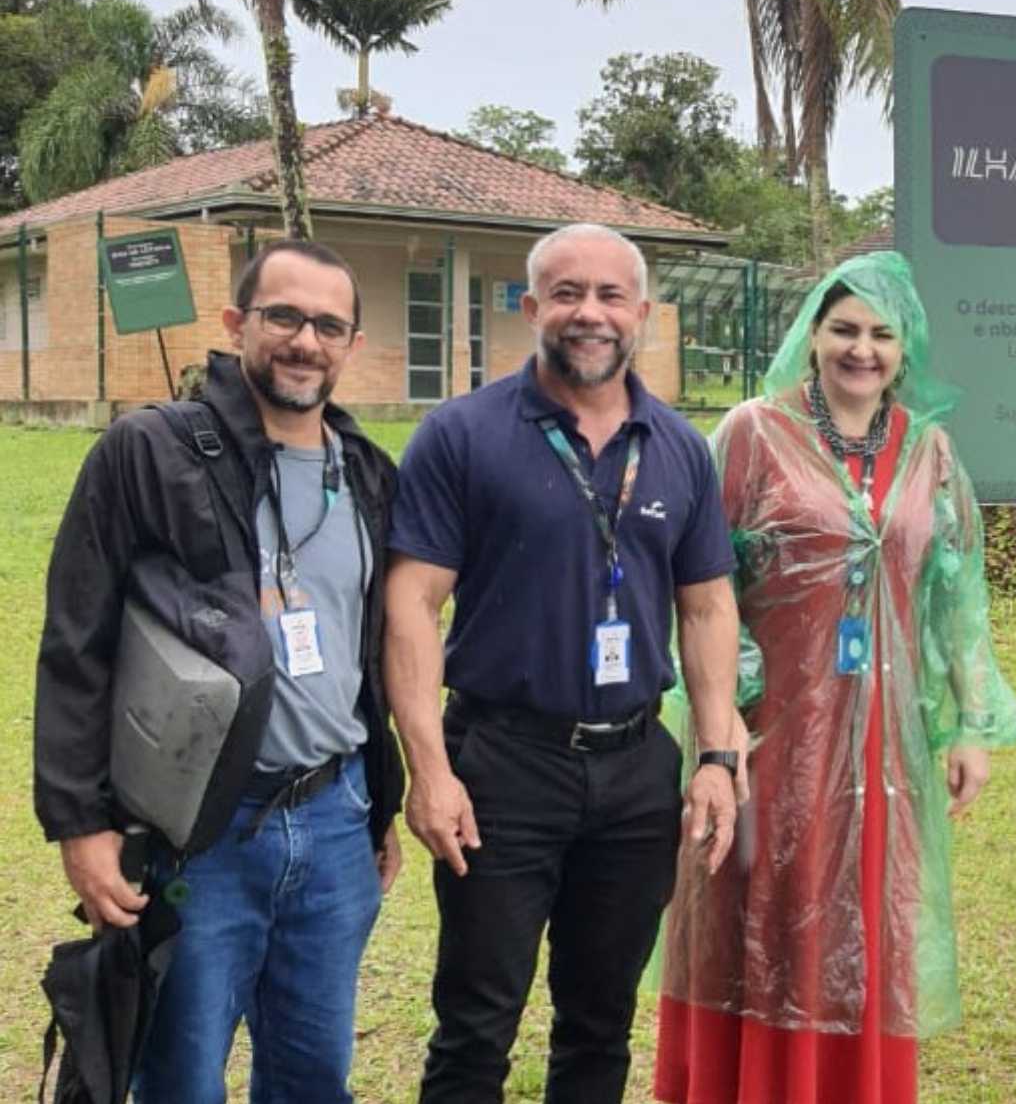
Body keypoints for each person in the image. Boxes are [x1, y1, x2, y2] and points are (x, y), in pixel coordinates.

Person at [35, 239, 405, 1101]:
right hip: (197, 835)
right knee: (183, 1077)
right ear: (237, 323)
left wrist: (377, 802)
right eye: (283, 316)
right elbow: (76, 642)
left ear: (352, 343)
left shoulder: (369, 474)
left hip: (333, 817)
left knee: (315, 1074)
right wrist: (80, 827)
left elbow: (371, 655)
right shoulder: (148, 453)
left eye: (327, 324)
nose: (304, 341)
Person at [651, 251, 1016, 1104]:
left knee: (869, 917)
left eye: (882, 334)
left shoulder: (928, 448)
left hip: (887, 744)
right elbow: (703, 583)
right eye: (845, 329)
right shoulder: (753, 432)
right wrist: (729, 713)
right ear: (812, 335)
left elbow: (955, 597)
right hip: (769, 732)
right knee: (762, 911)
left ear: (906, 348)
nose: (863, 350)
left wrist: (967, 722)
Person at [384, 222, 744, 1103]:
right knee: (477, 1021)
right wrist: (429, 770)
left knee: (600, 1019)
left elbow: (706, 606)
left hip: (634, 769)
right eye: (568, 293)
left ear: (644, 314)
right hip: (503, 765)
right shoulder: (462, 435)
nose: (590, 313)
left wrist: (716, 756)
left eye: (611, 295)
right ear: (531, 305)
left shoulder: (679, 447)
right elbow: (411, 605)